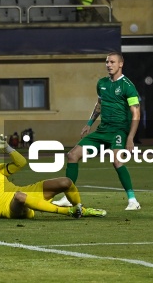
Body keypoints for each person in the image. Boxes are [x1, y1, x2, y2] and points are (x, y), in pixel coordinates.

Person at [53, 52, 141, 211]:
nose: (109, 65)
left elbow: (136, 113)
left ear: (121, 64)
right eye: (107, 62)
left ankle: (133, 200)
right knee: (72, 155)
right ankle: (68, 196)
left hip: (118, 131)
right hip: (102, 131)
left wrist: (130, 138)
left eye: (112, 62)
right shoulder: (101, 83)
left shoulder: (128, 86)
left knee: (117, 161)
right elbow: (99, 105)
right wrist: (89, 123)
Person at [0, 134, 107, 220]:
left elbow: (21, 162)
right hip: (10, 208)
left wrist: (7, 148)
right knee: (19, 196)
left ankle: (81, 209)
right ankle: (68, 212)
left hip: (27, 193)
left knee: (65, 182)